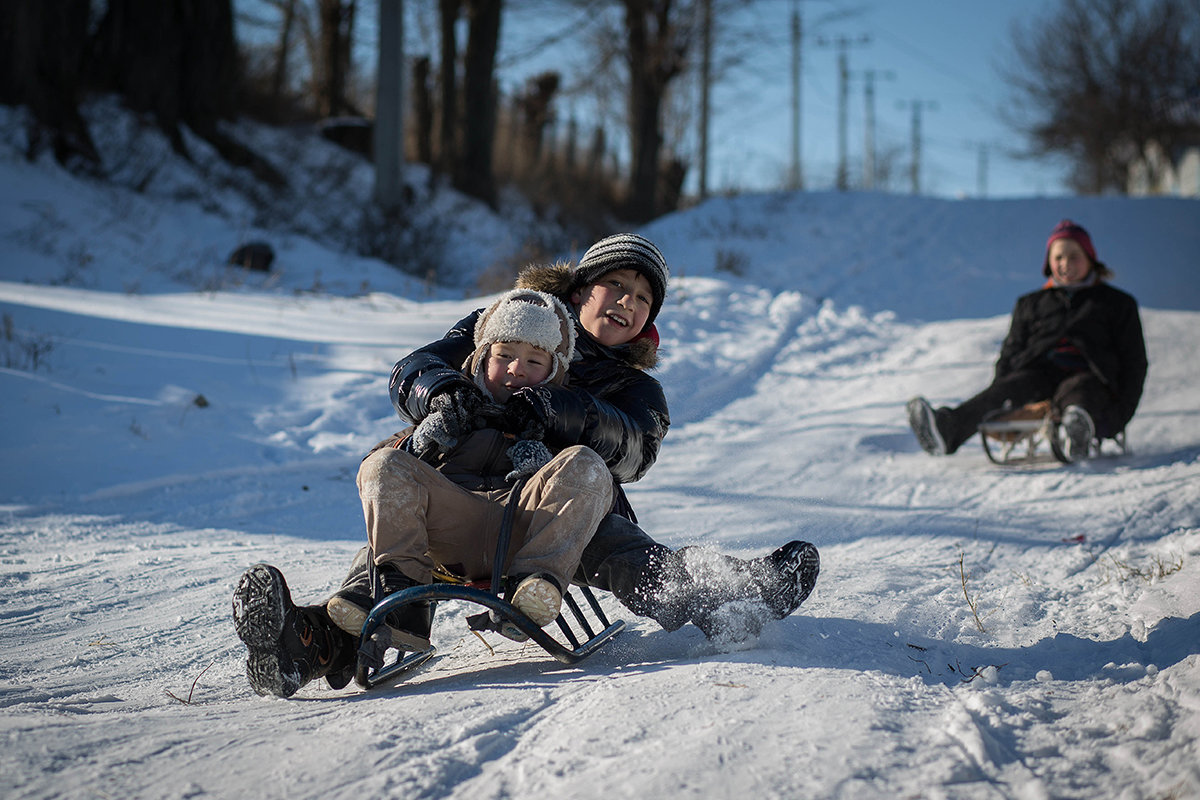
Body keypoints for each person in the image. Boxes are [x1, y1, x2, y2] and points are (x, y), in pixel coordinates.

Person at [233, 233, 821, 698]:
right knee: (386, 546)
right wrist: (442, 392)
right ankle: (309, 645)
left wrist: (562, 407)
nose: (626, 303)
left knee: (631, 556)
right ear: (579, 289)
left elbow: (635, 449)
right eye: (614, 285)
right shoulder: (504, 322)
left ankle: (730, 599)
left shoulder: (635, 389)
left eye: (642, 298)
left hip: (563, 515)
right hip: (458, 498)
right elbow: (416, 366)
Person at [907, 219, 1148, 460]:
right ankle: (947, 430)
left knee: (1079, 392)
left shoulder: (1116, 304)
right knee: (1011, 387)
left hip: (1091, 377)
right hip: (1038, 377)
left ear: (1090, 258)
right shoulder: (1031, 304)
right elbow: (1011, 352)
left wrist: (1122, 412)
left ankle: (1075, 430)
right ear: (1048, 262)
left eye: (1074, 256)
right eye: (1058, 258)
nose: (1065, 264)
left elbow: (1134, 362)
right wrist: (1000, 393)